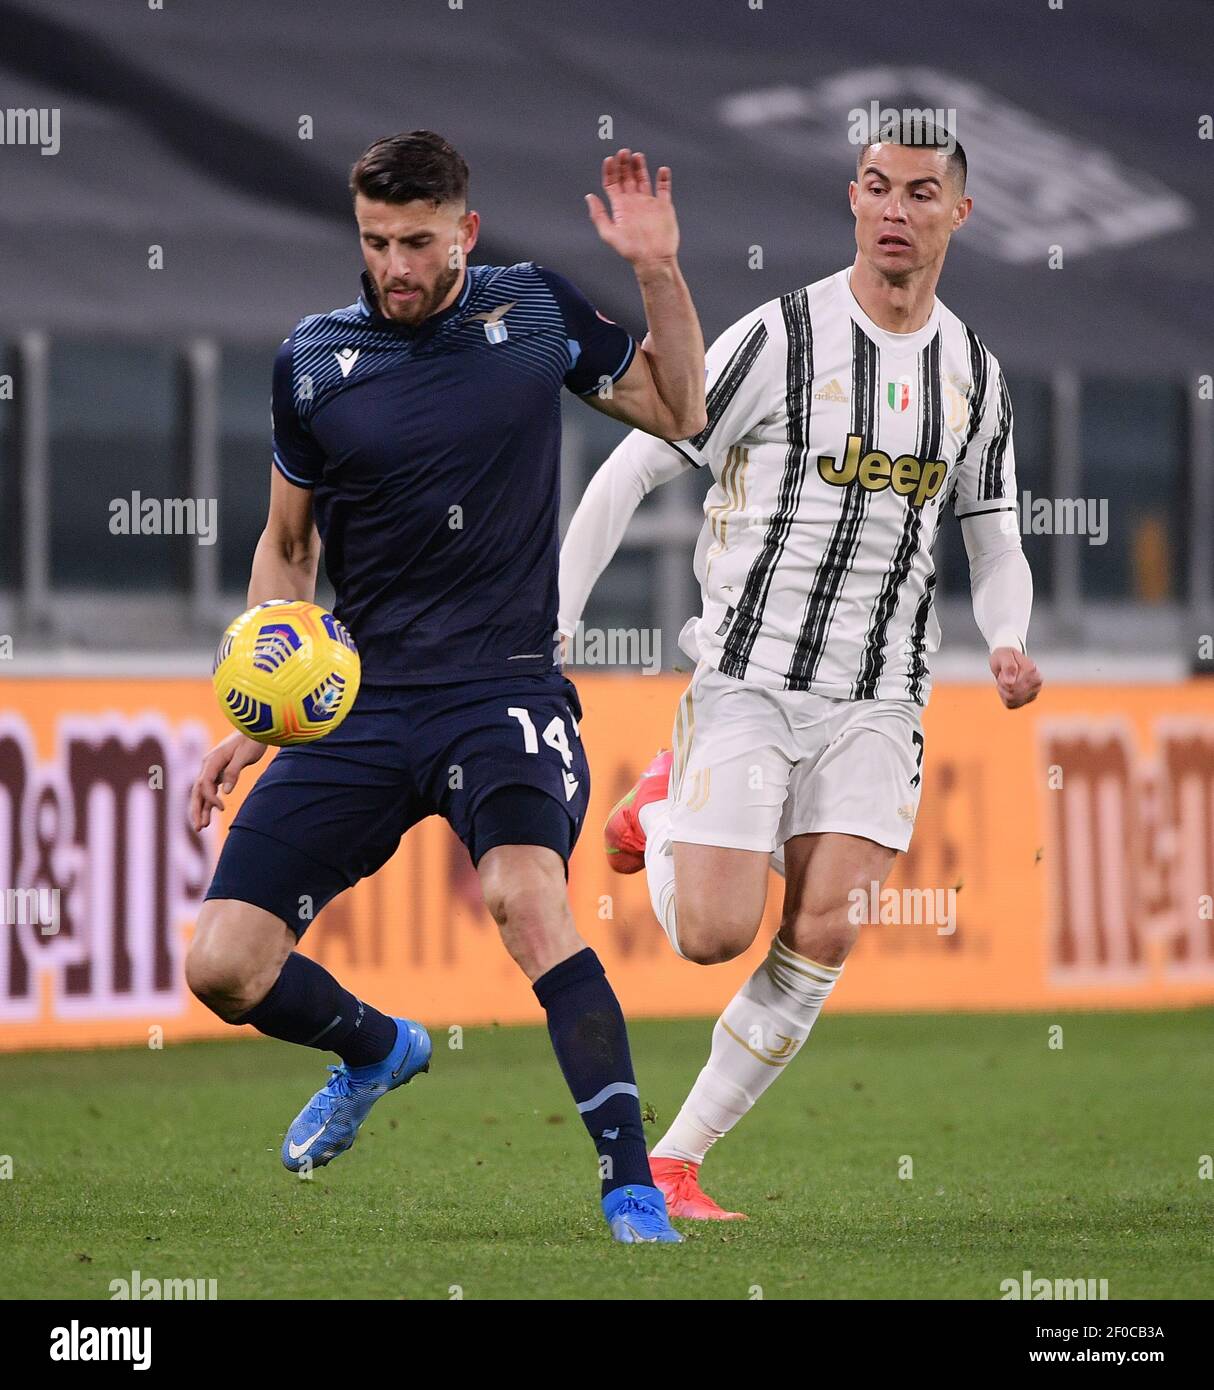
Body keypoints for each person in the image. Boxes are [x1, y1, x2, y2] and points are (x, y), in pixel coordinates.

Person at [187, 130, 706, 1243]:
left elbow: (679, 410)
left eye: (417, 242)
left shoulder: (532, 316)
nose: (395, 267)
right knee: (222, 964)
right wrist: (257, 708)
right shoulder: (312, 360)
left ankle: (628, 1183)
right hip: (361, 701)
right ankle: (377, 1047)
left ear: (464, 231)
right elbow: (287, 549)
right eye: (375, 242)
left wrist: (656, 270)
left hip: (501, 687)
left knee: (525, 896)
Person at [557, 125, 1042, 1219]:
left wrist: (1007, 637)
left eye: (920, 193)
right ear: (851, 198)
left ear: (955, 215)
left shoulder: (971, 369)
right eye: (875, 187)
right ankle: (665, 805)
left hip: (880, 695)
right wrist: (557, 623)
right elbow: (633, 465)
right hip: (747, 677)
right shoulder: (778, 337)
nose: (893, 210)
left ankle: (674, 1161)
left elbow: (992, 528)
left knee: (824, 926)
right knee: (712, 934)